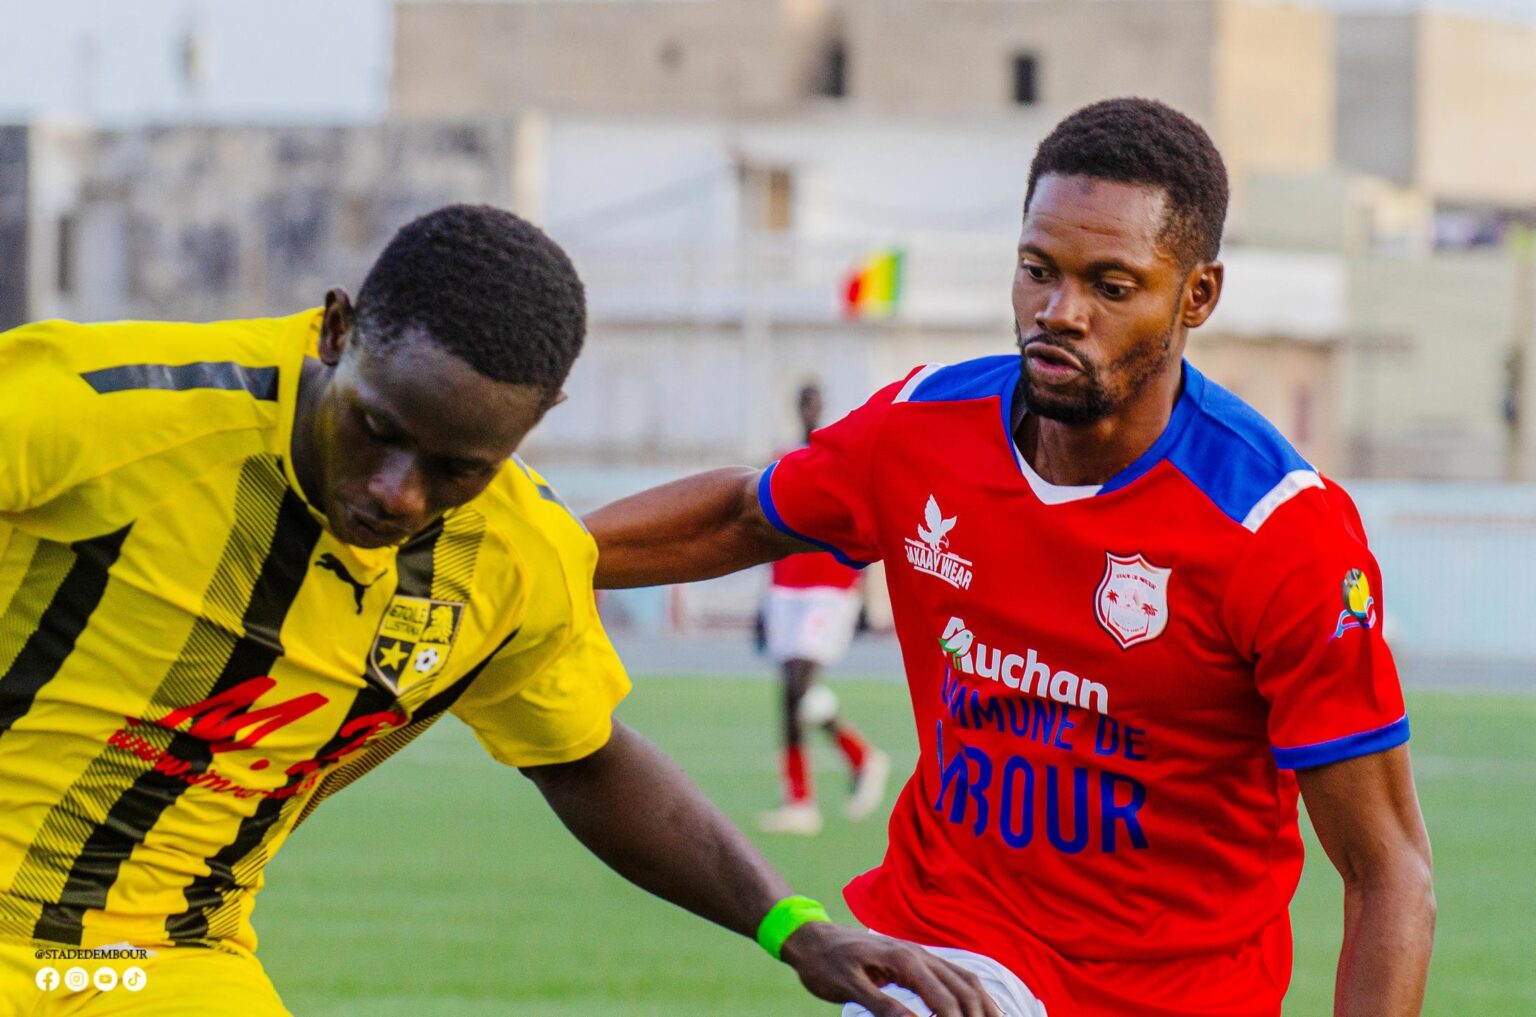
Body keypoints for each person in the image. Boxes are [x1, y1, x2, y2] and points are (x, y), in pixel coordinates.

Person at [0, 204, 1001, 1017]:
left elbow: (586, 757)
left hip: (166, 958)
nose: (397, 493)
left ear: (533, 426)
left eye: (456, 469)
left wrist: (794, 928)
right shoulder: (107, 408)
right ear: (337, 332)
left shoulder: (514, 561)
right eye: (378, 428)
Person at [586, 99, 1436, 1017]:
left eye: (1111, 286)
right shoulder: (920, 430)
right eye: (1038, 270)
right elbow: (745, 513)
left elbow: (1388, 870)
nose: (1058, 313)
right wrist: (542, 553)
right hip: (949, 954)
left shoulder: (1278, 529)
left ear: (1197, 296)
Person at [759, 382, 890, 836]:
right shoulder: (782, 458)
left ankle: (858, 758)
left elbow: (864, 522)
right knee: (789, 693)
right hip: (786, 588)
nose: (809, 409)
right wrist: (762, 602)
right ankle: (802, 800)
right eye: (803, 402)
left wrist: (864, 599)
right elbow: (767, 526)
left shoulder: (839, 455)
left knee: (799, 683)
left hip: (828, 586)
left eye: (814, 402)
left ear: (822, 406)